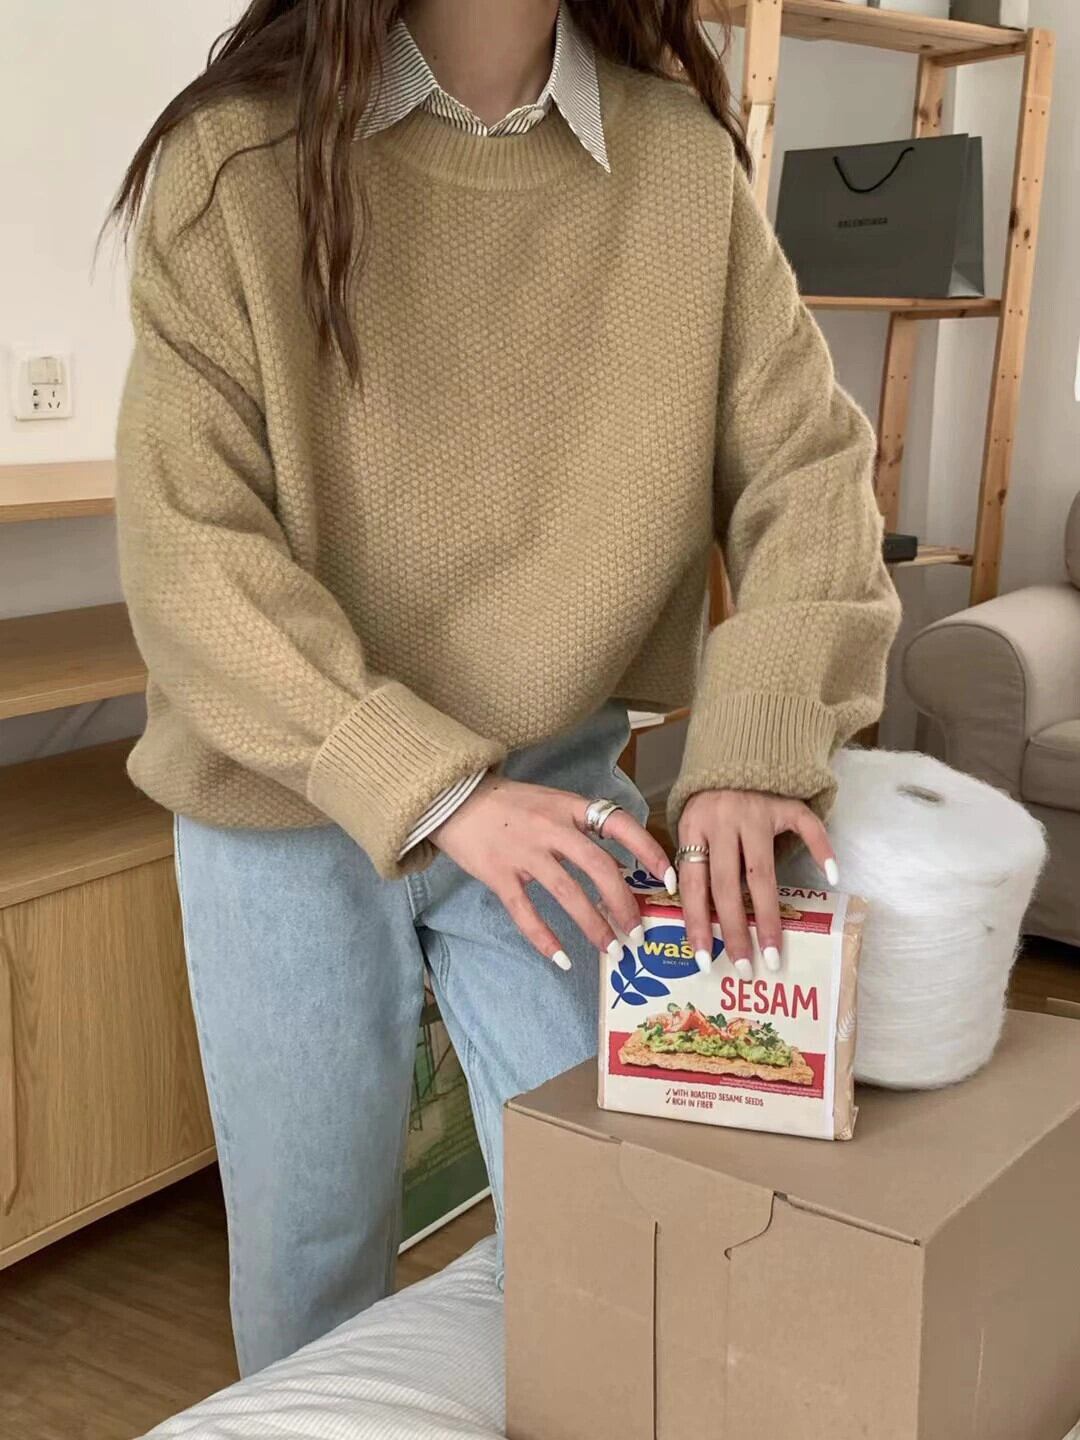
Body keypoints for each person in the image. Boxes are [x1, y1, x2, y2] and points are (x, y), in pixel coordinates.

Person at [110, 0, 900, 1375]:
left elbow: (809, 474)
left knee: (627, 1215)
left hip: (555, 788)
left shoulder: (680, 165)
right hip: (283, 798)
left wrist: (753, 748)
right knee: (310, 1270)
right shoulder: (236, 159)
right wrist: (433, 790)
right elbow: (191, 552)